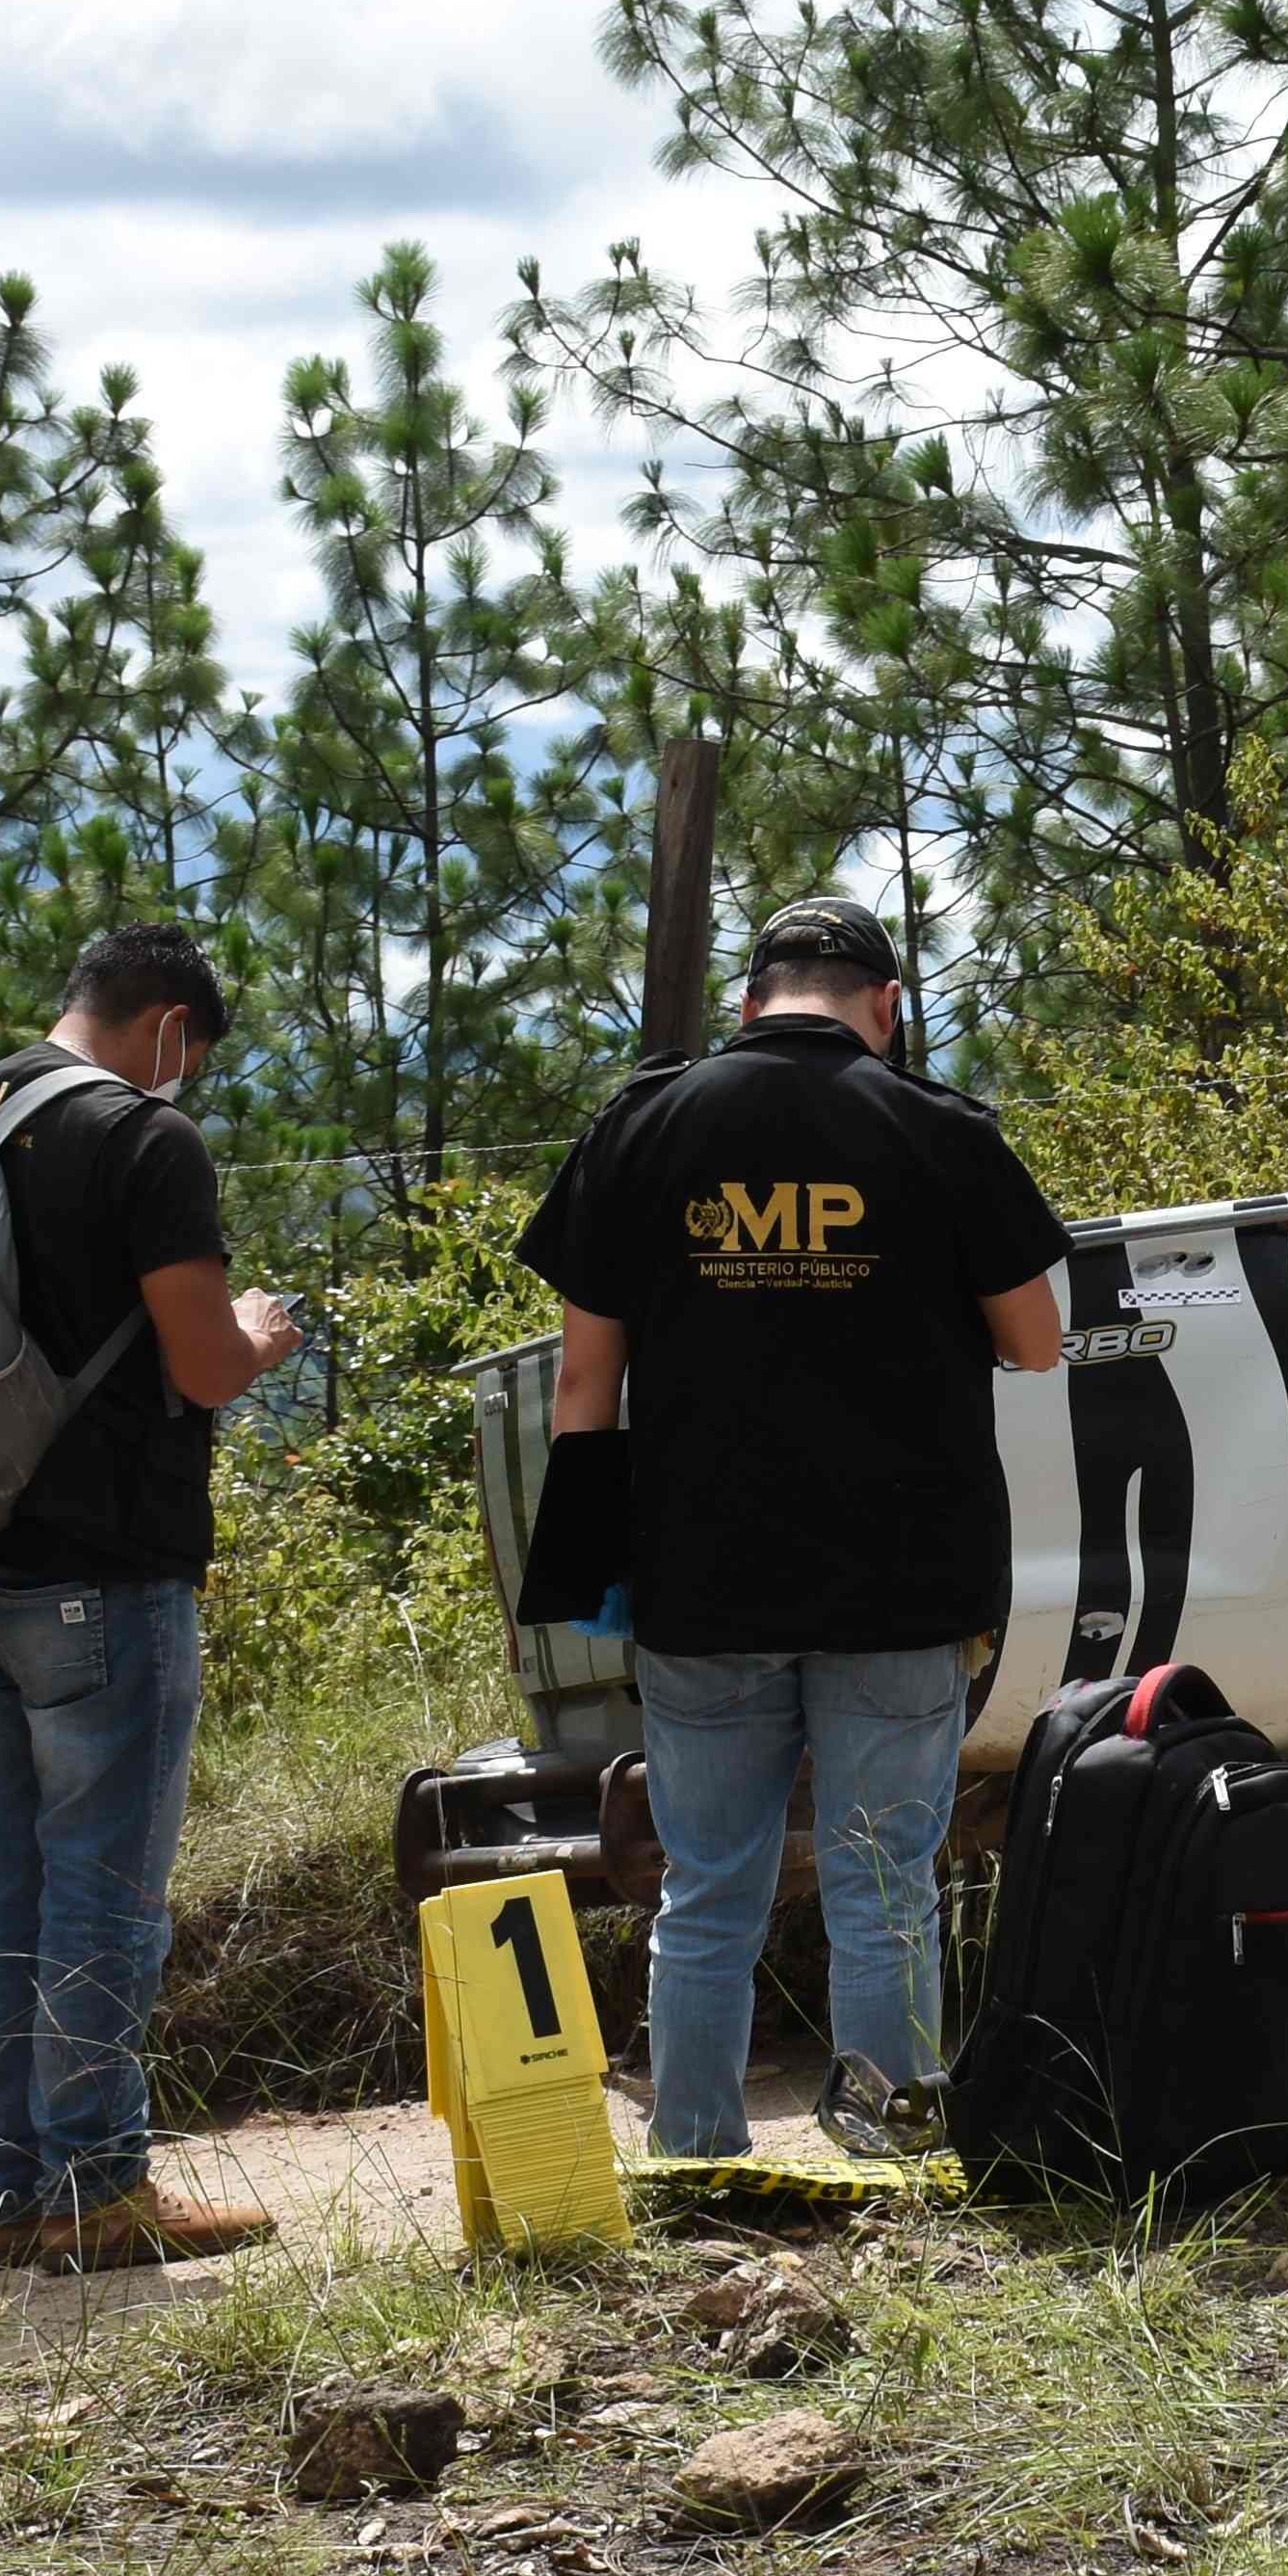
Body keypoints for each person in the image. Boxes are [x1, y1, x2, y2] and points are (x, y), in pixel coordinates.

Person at [520, 893, 1071, 2161]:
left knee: (708, 1895)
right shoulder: (939, 1130)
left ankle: (699, 2158)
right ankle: (886, 2166)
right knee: (883, 1894)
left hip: (700, 1580)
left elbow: (581, 1384)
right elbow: (1036, 1343)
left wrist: (592, 1568)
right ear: (885, 1008)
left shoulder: (641, 1124)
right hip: (902, 1580)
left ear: (751, 1000)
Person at [0, 925, 303, 2271]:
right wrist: (257, 1332)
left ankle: (13, 2189)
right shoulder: (146, 1137)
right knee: (106, 1890)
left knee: (5, 1877)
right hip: (104, 1574)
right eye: (192, 1060)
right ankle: (98, 2179)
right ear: (173, 1032)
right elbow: (201, 1366)